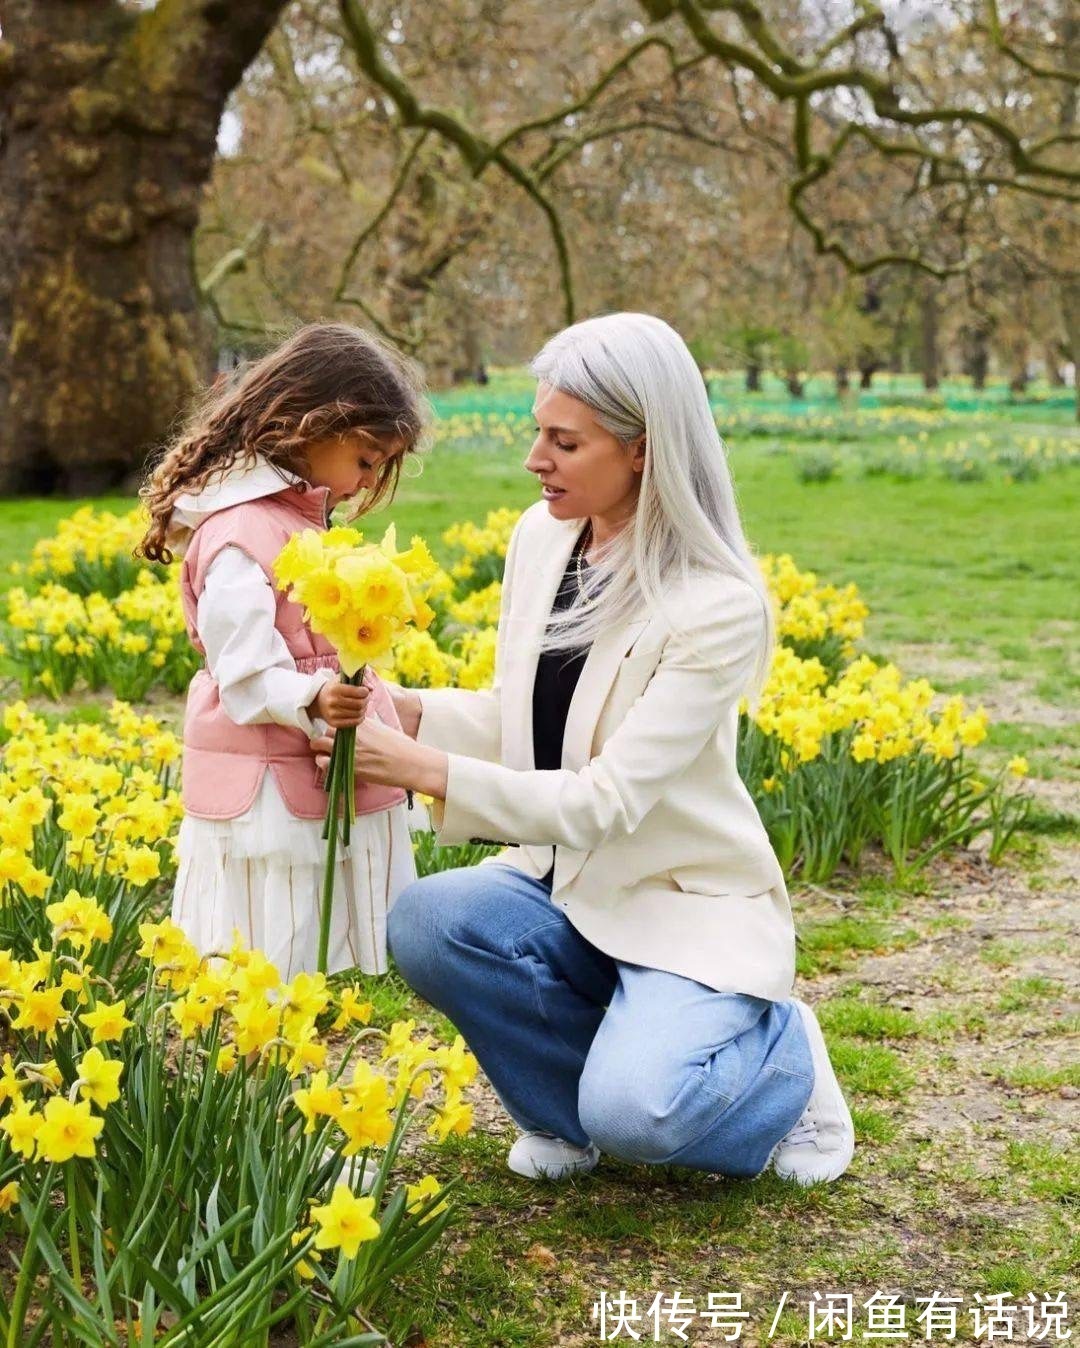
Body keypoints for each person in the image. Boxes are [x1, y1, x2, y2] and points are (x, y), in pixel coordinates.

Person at [312, 313, 855, 1186]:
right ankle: (567, 1117)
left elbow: (606, 799)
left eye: (565, 442)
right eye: (539, 432)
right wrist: (406, 714)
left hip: (675, 902)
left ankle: (783, 1068)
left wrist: (419, 769)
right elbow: (529, 719)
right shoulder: (544, 538)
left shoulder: (713, 606)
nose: (536, 459)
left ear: (642, 449)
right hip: (562, 886)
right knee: (429, 921)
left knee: (640, 1112)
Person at [137, 322, 426, 979]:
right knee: (272, 929)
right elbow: (242, 675)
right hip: (265, 778)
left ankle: (300, 1016)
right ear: (314, 426)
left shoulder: (294, 518)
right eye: (365, 461)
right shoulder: (242, 533)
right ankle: (266, 1027)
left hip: (300, 758)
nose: (366, 483)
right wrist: (315, 695)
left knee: (303, 926)